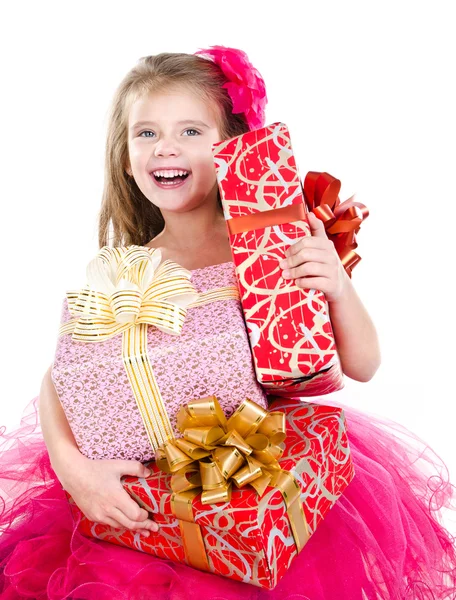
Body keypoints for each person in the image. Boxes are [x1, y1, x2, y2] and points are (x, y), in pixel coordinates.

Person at [1, 45, 455, 600]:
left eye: (191, 131)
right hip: (163, 500)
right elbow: (66, 376)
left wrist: (336, 284)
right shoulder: (128, 270)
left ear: (229, 149)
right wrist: (74, 470)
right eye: (146, 133)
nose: (166, 147)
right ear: (124, 157)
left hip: (269, 485)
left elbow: (363, 363)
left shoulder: (270, 240)